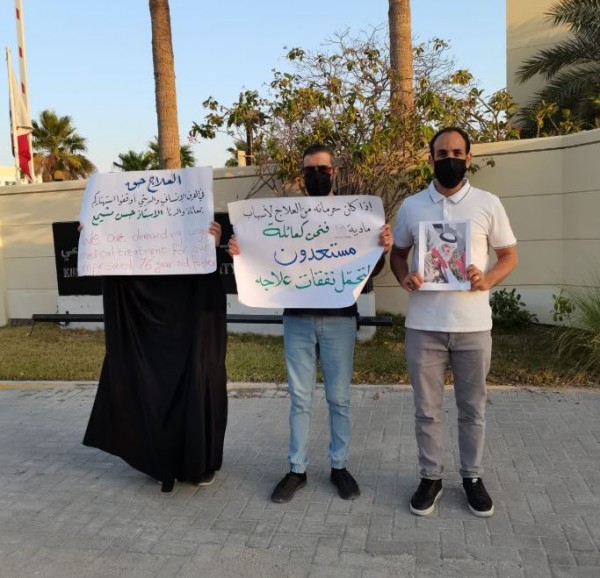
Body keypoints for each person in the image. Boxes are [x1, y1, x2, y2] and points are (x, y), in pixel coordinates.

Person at [229, 144, 393, 503]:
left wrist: (381, 248)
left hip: (340, 321)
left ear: (334, 172)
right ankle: (296, 469)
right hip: (298, 320)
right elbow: (263, 254)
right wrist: (241, 252)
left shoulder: (354, 216)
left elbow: (369, 269)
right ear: (302, 175)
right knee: (300, 399)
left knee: (340, 398)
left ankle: (339, 466)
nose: (316, 175)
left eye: (322, 169)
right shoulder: (285, 217)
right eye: (309, 170)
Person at [390, 126, 518, 517]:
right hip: (423, 326)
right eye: (442, 153)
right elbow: (398, 255)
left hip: (473, 326)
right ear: (431, 159)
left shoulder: (487, 203)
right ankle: (430, 478)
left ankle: (472, 478)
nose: (450, 159)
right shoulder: (412, 206)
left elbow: (509, 255)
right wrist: (405, 277)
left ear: (469, 158)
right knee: (427, 410)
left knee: (472, 409)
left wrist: (487, 279)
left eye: (457, 153)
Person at [82, 221, 228, 493]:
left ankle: (198, 461)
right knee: (153, 379)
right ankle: (158, 457)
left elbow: (210, 266)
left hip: (193, 302)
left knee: (197, 378)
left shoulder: (194, 214)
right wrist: (97, 240)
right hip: (147, 305)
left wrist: (212, 245)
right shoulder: (138, 220)